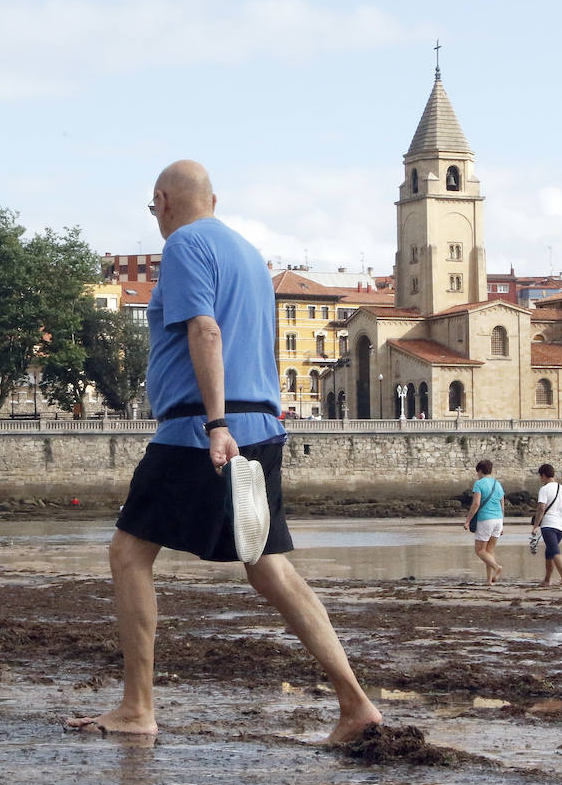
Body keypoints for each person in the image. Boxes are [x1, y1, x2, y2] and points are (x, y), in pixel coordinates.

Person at [66, 160, 381, 744]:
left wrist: (213, 423)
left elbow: (205, 332)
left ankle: (138, 707)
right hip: (260, 427)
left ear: (161, 200)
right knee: (269, 568)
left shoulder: (184, 246)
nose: (156, 216)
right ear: (215, 198)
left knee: (128, 554)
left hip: (199, 430)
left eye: (153, 207)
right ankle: (355, 703)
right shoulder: (250, 257)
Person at [530, 463, 562, 587]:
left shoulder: (544, 489)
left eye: (540, 476)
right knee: (549, 552)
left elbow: (541, 508)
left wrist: (535, 526)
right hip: (561, 526)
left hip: (548, 525)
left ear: (543, 475)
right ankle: (547, 579)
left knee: (554, 551)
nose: (540, 479)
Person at [464, 459, 504, 584]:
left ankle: (497, 567)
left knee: (480, 550)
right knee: (489, 552)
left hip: (486, 519)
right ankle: (489, 581)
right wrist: (502, 524)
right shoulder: (498, 484)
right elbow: (502, 505)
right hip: (498, 519)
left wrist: (468, 521)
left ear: (480, 471)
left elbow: (476, 504)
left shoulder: (479, 484)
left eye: (478, 472)